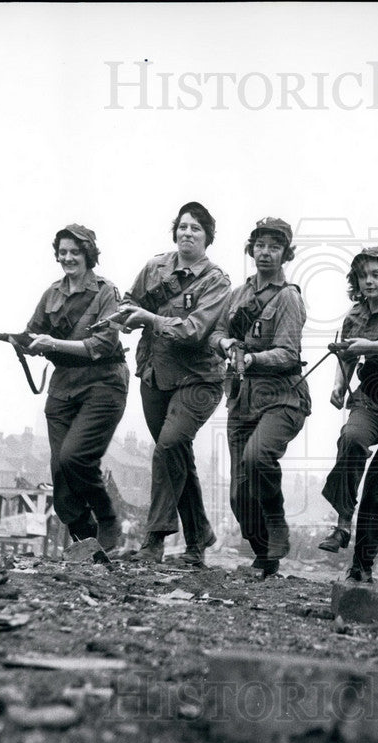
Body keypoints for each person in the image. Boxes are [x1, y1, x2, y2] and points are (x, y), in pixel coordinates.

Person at [118, 202, 231, 565]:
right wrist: (125, 318)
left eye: (196, 228)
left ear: (207, 237)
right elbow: (130, 300)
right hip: (154, 373)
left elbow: (195, 331)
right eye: (182, 226)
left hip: (198, 378)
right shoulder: (156, 268)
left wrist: (148, 318)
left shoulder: (216, 281)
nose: (187, 233)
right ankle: (198, 541)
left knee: (167, 447)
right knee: (177, 455)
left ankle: (154, 541)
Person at [209, 217, 311, 579]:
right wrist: (224, 344)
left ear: (286, 253)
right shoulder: (239, 294)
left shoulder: (288, 297)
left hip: (282, 397)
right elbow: (217, 332)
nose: (266, 253)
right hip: (241, 400)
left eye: (274, 247)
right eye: (260, 246)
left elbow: (287, 353)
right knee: (238, 494)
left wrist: (251, 359)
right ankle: (265, 554)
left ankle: (278, 526)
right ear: (251, 250)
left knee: (258, 457)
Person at [21, 224, 129, 550]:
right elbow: (32, 332)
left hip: (103, 382)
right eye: (63, 252)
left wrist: (51, 342)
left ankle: (108, 519)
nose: (68, 258)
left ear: (88, 255)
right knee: (59, 469)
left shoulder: (107, 292)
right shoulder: (52, 294)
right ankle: (85, 534)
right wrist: (23, 342)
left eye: (75, 252)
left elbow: (103, 343)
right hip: (63, 386)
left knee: (74, 459)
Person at [318, 247, 378, 582]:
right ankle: (343, 522)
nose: (369, 281)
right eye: (363, 276)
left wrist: (368, 348)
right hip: (369, 398)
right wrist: (339, 386)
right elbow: (346, 356)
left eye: (376, 275)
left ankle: (361, 568)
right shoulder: (354, 315)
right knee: (352, 438)